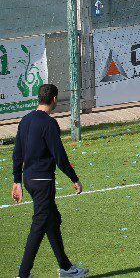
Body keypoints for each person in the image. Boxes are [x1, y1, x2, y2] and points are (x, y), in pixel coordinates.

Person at [12, 83, 89, 278]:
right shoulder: (49, 123)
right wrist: (74, 178)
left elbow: (17, 153)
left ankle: (66, 268)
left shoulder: (25, 120)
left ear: (39, 98)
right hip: (43, 181)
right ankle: (23, 274)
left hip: (29, 180)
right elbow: (59, 155)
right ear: (54, 99)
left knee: (53, 220)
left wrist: (17, 180)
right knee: (39, 225)